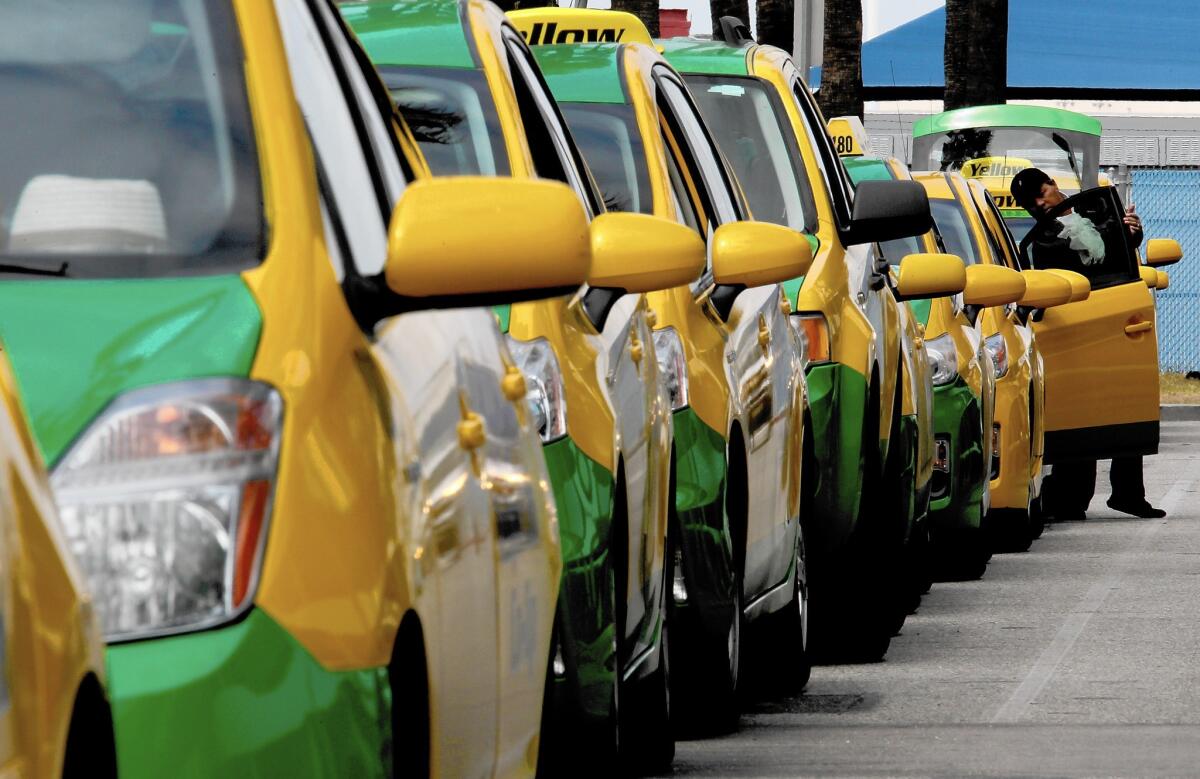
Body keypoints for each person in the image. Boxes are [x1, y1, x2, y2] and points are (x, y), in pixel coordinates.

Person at [1010, 168, 1165, 520]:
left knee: (1126, 406)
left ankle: (1128, 494)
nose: (1039, 203)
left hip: (1115, 316)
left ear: (1052, 185)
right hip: (1076, 327)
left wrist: (1131, 232)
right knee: (1080, 412)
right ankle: (1068, 499)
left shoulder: (1095, 213)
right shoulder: (1044, 239)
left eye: (1041, 192)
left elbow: (1119, 253)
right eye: (1031, 201)